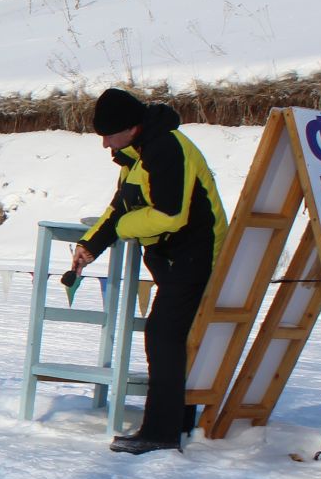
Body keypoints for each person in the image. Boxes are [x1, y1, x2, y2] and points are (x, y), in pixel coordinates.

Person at [67, 87, 226, 455]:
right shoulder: (136, 156)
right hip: (175, 258)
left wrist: (122, 230)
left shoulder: (166, 148)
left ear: (129, 127)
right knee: (172, 335)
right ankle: (179, 422)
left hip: (197, 254)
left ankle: (162, 431)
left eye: (107, 134)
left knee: (163, 334)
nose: (105, 144)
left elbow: (170, 215)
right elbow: (117, 210)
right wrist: (90, 246)